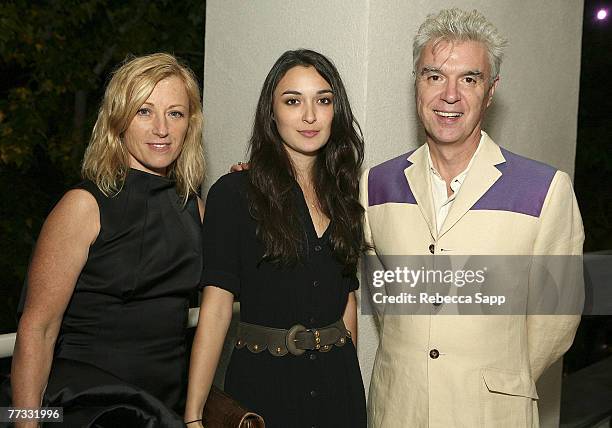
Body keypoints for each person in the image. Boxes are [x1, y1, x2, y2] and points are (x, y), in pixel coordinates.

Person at [360, 8, 584, 428]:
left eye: (469, 78)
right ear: (416, 83)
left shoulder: (545, 189)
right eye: (434, 76)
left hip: (492, 413)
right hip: (398, 410)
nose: (450, 95)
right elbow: (387, 300)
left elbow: (557, 315)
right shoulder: (376, 184)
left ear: (491, 90)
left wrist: (494, 377)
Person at [11, 53, 205, 427]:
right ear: (119, 121)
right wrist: (25, 423)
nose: (161, 129)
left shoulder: (194, 208)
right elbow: (37, 329)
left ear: (190, 124)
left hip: (165, 410)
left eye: (175, 113)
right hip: (86, 408)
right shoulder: (83, 206)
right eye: (144, 112)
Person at [185, 49, 367, 428]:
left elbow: (346, 302)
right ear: (271, 111)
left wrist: (353, 387)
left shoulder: (346, 193)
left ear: (337, 110)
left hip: (340, 392)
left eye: (323, 100)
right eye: (292, 101)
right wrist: (192, 416)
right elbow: (216, 308)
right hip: (265, 392)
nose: (310, 115)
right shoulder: (234, 193)